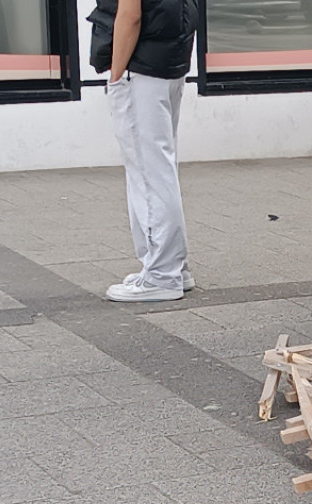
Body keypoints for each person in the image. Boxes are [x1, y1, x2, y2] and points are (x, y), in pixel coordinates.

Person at [89, 0, 199, 302]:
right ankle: (173, 267)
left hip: (141, 65)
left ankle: (162, 275)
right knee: (160, 168)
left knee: (149, 174)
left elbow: (130, 14)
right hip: (168, 61)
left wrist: (115, 75)